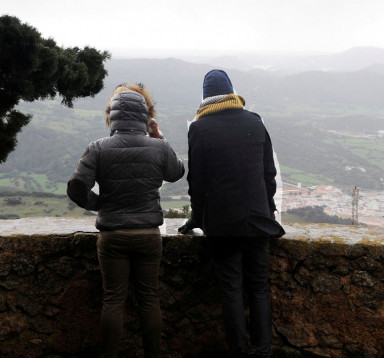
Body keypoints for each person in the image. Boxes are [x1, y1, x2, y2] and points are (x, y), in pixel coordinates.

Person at [67, 83, 185, 358]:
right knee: (148, 299)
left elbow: (76, 188)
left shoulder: (98, 148)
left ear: (113, 115)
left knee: (113, 300)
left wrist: (101, 204)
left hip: (112, 236)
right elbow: (177, 172)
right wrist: (159, 136)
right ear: (145, 116)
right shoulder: (158, 147)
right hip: (147, 235)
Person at [178, 69, 284, 358]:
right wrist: (268, 211)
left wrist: (196, 219)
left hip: (223, 226)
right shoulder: (255, 121)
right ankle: (263, 352)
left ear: (205, 98)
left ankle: (238, 351)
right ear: (232, 92)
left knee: (232, 291)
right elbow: (268, 175)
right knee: (260, 289)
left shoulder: (199, 129)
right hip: (258, 221)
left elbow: (197, 183)